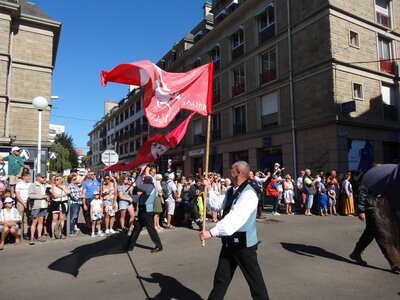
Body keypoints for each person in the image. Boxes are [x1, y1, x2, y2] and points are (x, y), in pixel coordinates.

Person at [199, 161, 269, 299]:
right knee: (221, 279)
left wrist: (211, 232)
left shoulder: (249, 194)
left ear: (239, 172)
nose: (229, 169)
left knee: (255, 283)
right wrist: (208, 188)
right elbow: (215, 205)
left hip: (244, 246)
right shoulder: (231, 190)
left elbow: (233, 220)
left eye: (232, 168)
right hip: (229, 243)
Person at [349, 163, 400, 274]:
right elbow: (361, 194)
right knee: (382, 234)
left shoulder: (381, 181)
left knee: (370, 233)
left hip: (378, 208)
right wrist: (361, 210)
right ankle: (394, 262)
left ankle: (356, 253)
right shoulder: (367, 179)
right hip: (371, 209)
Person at [126, 166, 163, 253]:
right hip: (142, 210)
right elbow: (138, 199)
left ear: (149, 181)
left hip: (147, 211)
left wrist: (140, 175)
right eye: (144, 179)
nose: (144, 181)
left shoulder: (150, 187)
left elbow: (138, 184)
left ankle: (159, 246)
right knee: (137, 228)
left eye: (146, 180)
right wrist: (128, 195)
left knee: (151, 229)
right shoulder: (146, 190)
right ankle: (130, 246)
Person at [28, 173, 50, 245]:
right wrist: (42, 196)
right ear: (37, 177)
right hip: (36, 206)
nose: (44, 179)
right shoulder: (33, 185)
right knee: (34, 222)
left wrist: (48, 197)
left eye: (45, 177)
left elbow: (47, 194)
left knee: (41, 221)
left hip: (44, 205)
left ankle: (39, 236)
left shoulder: (45, 185)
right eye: (43, 177)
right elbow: (31, 195)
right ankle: (31, 238)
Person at [15, 171, 31, 240]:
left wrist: (27, 203)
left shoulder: (30, 184)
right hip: (20, 203)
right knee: (19, 219)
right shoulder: (19, 184)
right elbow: (17, 195)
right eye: (27, 176)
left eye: (29, 176)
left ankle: (25, 233)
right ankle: (18, 233)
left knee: (26, 219)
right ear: (23, 177)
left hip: (28, 203)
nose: (29, 177)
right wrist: (23, 203)